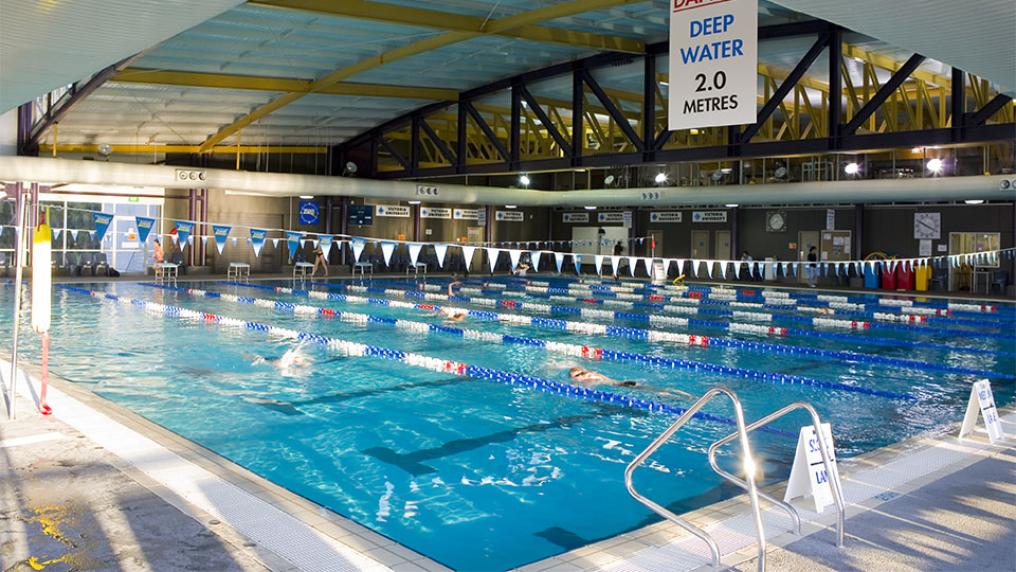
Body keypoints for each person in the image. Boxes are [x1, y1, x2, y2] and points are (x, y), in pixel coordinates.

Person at [568, 367, 693, 399]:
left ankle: (684, 398)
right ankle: (686, 395)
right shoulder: (591, 373)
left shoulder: (589, 377)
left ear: (580, 375)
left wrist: (575, 386)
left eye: (574, 377)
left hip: (623, 385)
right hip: (624, 383)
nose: (574, 379)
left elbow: (590, 386)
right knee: (659, 389)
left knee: (657, 392)